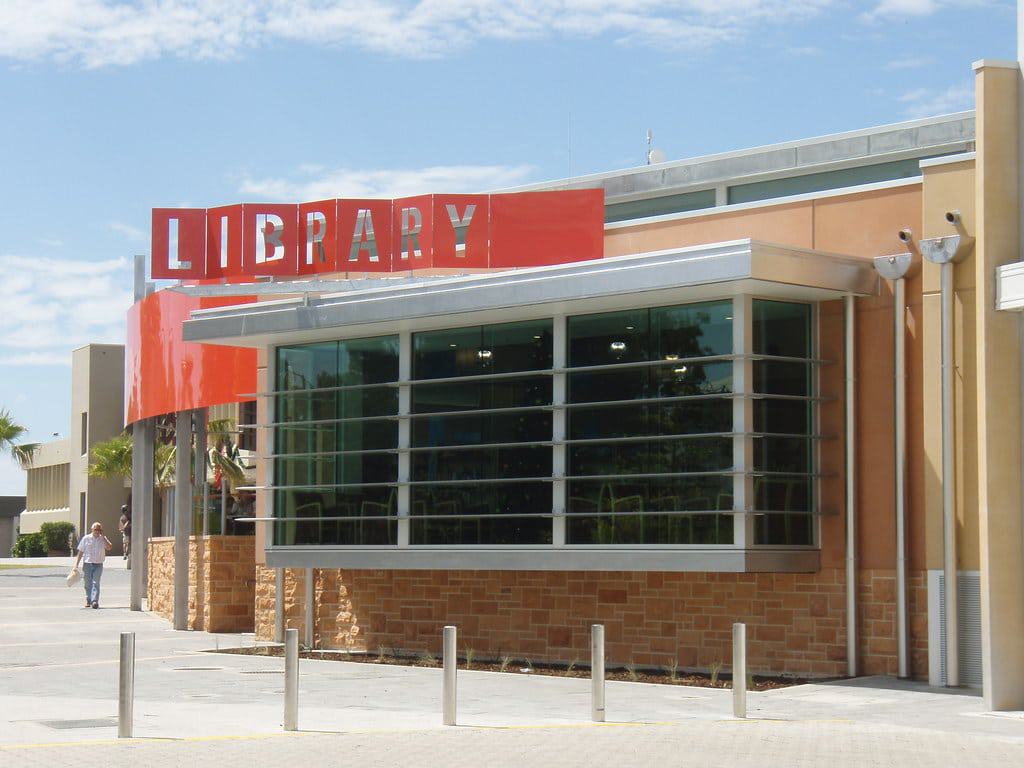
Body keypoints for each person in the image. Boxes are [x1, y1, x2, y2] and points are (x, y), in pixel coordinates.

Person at [74, 522, 112, 609]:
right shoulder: (86, 538)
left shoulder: (103, 539)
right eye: (96, 529)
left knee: (96, 583)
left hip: (98, 564)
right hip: (88, 563)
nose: (97, 531)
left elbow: (109, 547)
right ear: (92, 530)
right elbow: (80, 552)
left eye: (99, 530)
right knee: (88, 583)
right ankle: (88, 599)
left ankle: (95, 601)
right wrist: (76, 565)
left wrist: (104, 538)